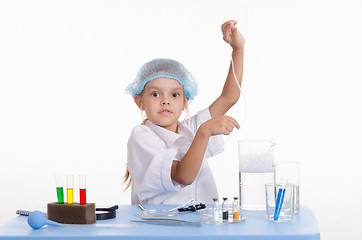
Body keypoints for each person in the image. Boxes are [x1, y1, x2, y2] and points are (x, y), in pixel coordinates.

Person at [124, 20, 245, 204]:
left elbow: (229, 97)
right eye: (155, 94)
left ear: (184, 102)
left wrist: (238, 50)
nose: (165, 100)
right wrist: (205, 131)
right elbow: (183, 176)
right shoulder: (142, 136)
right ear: (139, 102)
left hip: (198, 226)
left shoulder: (189, 129)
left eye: (174, 94)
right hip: (160, 229)